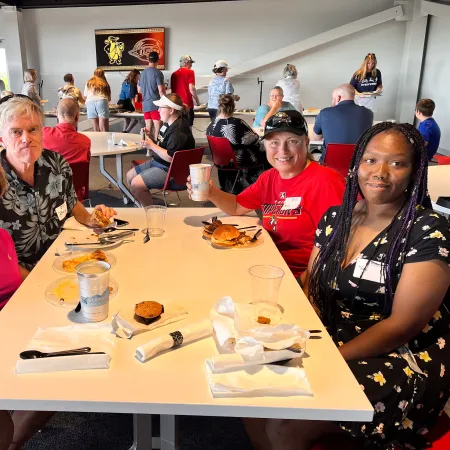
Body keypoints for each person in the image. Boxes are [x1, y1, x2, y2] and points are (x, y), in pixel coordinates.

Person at [246, 123, 450, 450]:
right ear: (357, 164)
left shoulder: (427, 231)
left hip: (399, 356)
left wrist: (328, 357)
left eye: (396, 163)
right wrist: (285, 328)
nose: (380, 172)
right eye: (370, 160)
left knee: (289, 420)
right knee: (255, 384)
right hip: (333, 333)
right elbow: (311, 283)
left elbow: (401, 326)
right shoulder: (336, 218)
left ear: (414, 172)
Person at [188, 110, 345, 278]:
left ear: (306, 143)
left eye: (292, 141)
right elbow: (236, 206)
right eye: (274, 142)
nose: (282, 150)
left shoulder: (326, 182)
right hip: (267, 263)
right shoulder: (269, 178)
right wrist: (210, 192)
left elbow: (341, 246)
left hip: (299, 276)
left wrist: (306, 286)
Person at [0, 95, 116, 272]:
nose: (26, 138)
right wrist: (33, 281)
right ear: (2, 139)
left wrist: (91, 219)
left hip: (64, 258)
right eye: (16, 132)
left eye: (33, 129)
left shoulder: (56, 163)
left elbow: (72, 203)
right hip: (19, 276)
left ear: (42, 131)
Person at [0, 152, 55, 450]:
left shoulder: (2, 237)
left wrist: (48, 286)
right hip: (8, 335)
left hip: (18, 324)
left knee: (63, 374)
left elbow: (17, 274)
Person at [127, 93, 195, 207]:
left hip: (171, 171)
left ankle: (149, 213)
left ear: (171, 110)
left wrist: (151, 146)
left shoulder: (179, 131)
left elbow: (171, 157)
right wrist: (150, 139)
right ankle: (143, 202)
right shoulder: (168, 124)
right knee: (130, 175)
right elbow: (162, 145)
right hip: (159, 163)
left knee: (136, 184)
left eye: (161, 108)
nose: (158, 110)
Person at [206, 94, 267, 194]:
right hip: (238, 161)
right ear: (233, 107)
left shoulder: (211, 124)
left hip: (221, 161)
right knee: (266, 151)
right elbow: (253, 139)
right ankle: (264, 186)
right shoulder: (238, 123)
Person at [42, 98, 91, 200]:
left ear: (56, 113)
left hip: (47, 195)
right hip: (75, 196)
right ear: (77, 116)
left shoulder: (43, 134)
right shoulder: (85, 141)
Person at [312, 84, 373, 161]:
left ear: (338, 98)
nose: (332, 101)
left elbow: (315, 138)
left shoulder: (324, 113)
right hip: (358, 165)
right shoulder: (368, 113)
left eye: (332, 98)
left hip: (330, 165)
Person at [138, 51, 165, 141]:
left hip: (145, 104)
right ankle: (156, 148)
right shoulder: (157, 73)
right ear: (158, 60)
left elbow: (139, 90)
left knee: (148, 127)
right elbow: (161, 90)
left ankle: (148, 150)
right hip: (155, 104)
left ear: (148, 60)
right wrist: (165, 102)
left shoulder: (142, 74)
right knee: (158, 127)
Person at [171, 55, 200, 127]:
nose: (191, 65)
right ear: (186, 63)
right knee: (188, 128)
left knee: (177, 127)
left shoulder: (173, 74)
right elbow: (192, 88)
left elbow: (173, 91)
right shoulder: (190, 72)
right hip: (187, 105)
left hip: (176, 105)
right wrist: (197, 101)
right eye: (191, 63)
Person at [84, 68, 111, 132]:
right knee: (103, 128)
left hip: (90, 103)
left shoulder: (88, 82)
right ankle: (105, 141)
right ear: (103, 74)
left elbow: (85, 96)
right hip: (101, 101)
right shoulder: (104, 83)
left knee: (96, 128)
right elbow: (109, 98)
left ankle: (98, 141)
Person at [118, 69, 140, 133]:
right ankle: (126, 132)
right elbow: (132, 98)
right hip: (128, 103)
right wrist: (136, 108)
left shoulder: (125, 82)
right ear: (135, 76)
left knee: (127, 119)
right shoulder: (132, 84)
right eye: (138, 76)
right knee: (136, 119)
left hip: (121, 102)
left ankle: (124, 132)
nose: (139, 78)